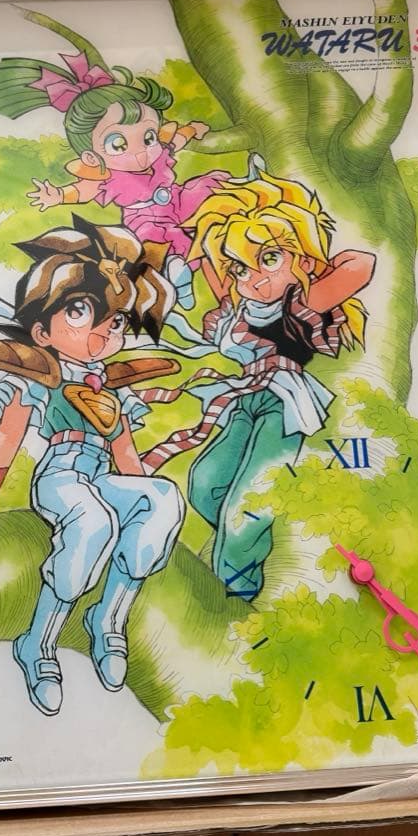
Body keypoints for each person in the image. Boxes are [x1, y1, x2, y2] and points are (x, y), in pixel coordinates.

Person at [0, 217, 184, 714]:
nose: (103, 331)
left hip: (102, 474)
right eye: (80, 312)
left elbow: (124, 450)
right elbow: (10, 431)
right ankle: (37, 642)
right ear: (42, 330)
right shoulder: (44, 373)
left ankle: (107, 620)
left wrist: (141, 496)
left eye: (116, 321)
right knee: (93, 522)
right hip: (62, 474)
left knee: (162, 499)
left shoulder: (110, 383)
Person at [143, 169, 376, 601]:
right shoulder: (239, 305)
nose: (253, 278)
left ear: (300, 258)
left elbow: (362, 264)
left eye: (268, 259)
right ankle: (244, 545)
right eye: (240, 268)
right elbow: (215, 267)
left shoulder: (302, 300)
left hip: (283, 404)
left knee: (249, 501)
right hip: (245, 398)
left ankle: (237, 591)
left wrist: (310, 259)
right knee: (205, 483)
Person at [0, 28, 231, 306]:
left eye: (148, 137)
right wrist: (59, 195)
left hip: (177, 199)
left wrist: (192, 129)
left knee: (209, 190)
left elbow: (174, 140)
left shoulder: (159, 153)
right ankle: (178, 281)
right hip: (145, 219)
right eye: (118, 144)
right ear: (92, 157)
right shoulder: (106, 176)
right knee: (161, 247)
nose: (141, 151)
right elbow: (83, 191)